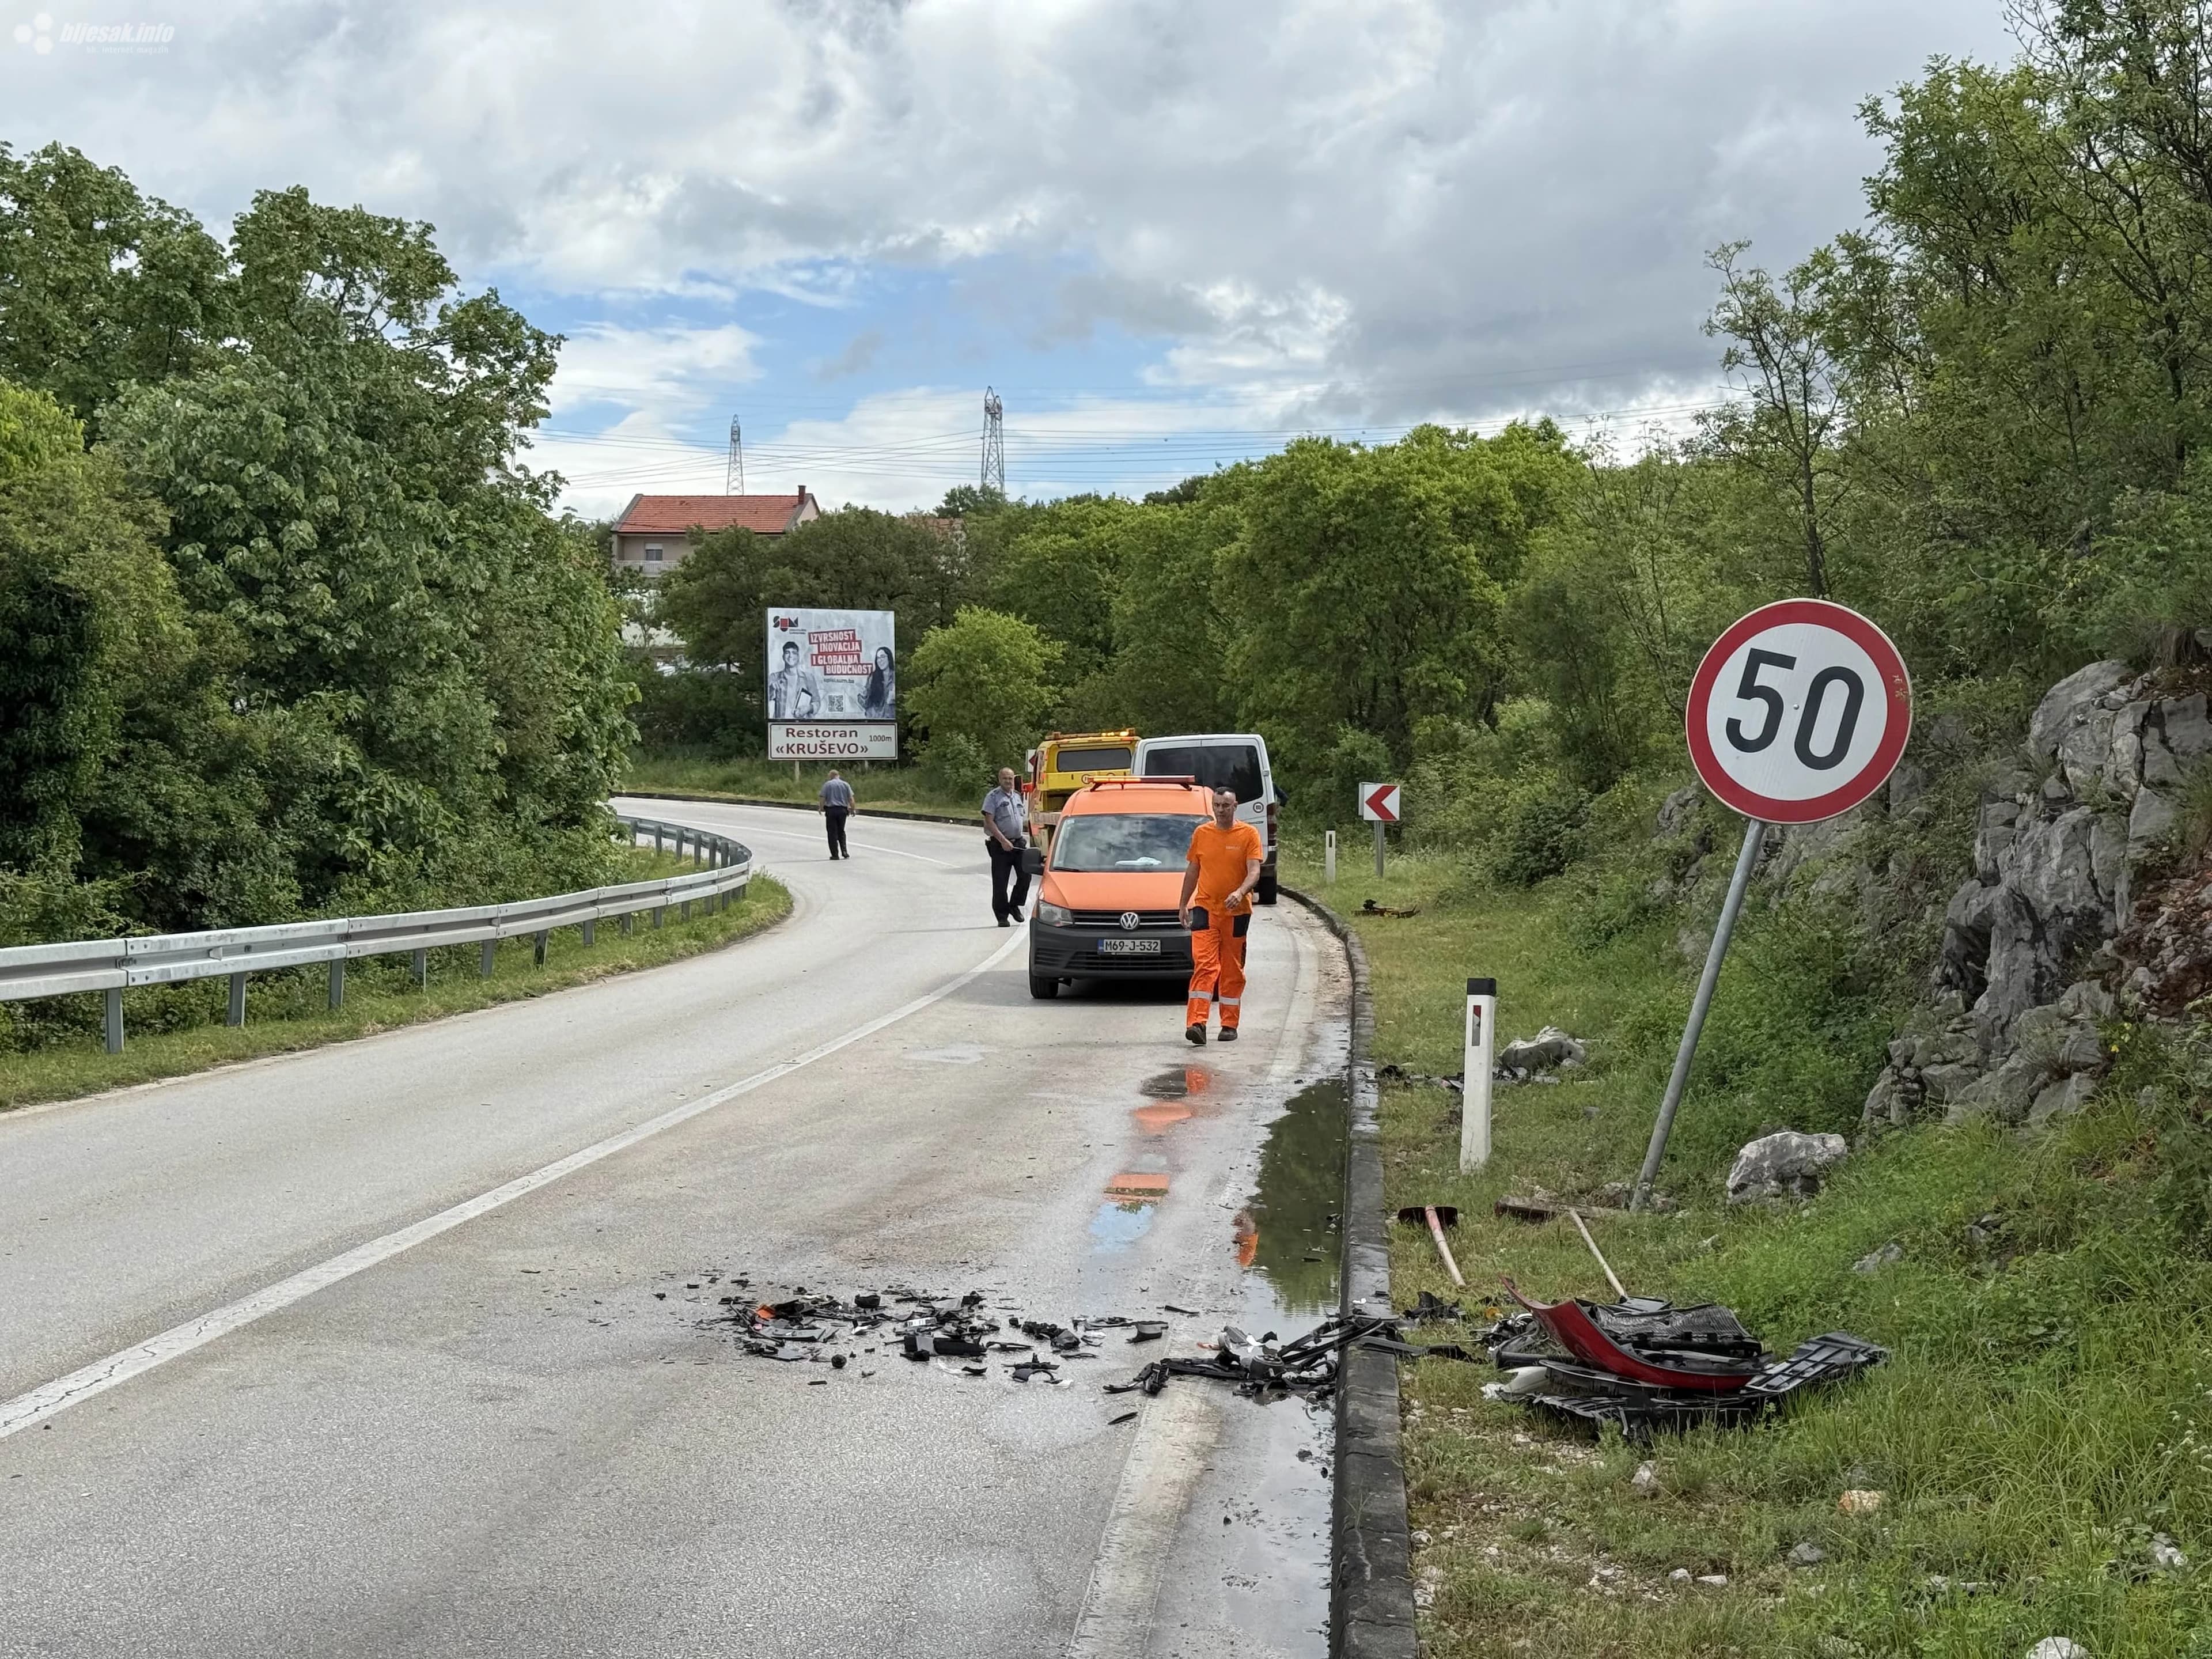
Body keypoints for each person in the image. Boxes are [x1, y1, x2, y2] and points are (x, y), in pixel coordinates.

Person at [1176, 786, 1263, 1046]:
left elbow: (1254, 871)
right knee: (1204, 965)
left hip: (1237, 912)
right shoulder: (1202, 834)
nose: (1221, 811)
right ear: (1212, 807)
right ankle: (1197, 1024)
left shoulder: (1248, 834)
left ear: (1235, 807)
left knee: (1232, 969)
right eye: (1217, 806)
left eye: (1226, 806)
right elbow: (1193, 870)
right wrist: (1183, 904)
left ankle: (1229, 1024)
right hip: (1204, 908)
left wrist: (1241, 892)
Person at [980, 766, 1031, 927]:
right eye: (1005, 779)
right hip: (1000, 845)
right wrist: (1003, 841)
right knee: (1001, 882)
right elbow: (989, 821)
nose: (1008, 781)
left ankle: (1014, 905)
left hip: (1018, 843)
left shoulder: (1017, 796)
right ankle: (1002, 916)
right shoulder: (993, 797)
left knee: (1026, 875)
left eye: (1010, 779)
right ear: (999, 780)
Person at [768, 640, 819, 721]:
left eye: (794, 653)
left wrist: (808, 708)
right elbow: (765, 700)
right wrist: (771, 689)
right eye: (787, 653)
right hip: (781, 725)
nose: (791, 656)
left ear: (798, 657)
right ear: (783, 656)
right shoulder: (775, 677)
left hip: (802, 727)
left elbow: (817, 703)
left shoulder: (809, 678)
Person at [819, 768, 855, 859]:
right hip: (842, 811)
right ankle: (844, 851)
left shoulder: (827, 785)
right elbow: (851, 799)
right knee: (841, 831)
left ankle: (835, 854)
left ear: (831, 776)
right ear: (838, 775)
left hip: (831, 810)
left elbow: (823, 797)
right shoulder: (845, 784)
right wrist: (853, 809)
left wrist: (821, 807)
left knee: (832, 833)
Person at [861, 646, 895, 719]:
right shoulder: (872, 677)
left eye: (883, 657)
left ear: (889, 658)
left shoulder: (894, 676)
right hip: (875, 720)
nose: (880, 660)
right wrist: (863, 696)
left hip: (891, 719)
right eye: (878, 658)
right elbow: (866, 703)